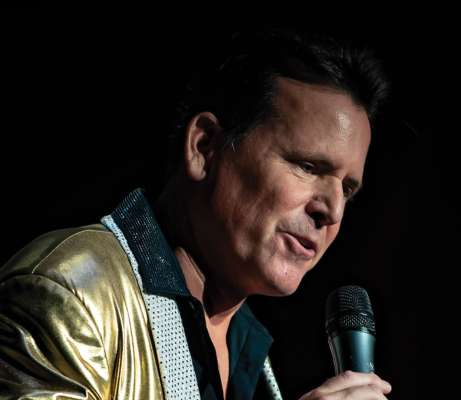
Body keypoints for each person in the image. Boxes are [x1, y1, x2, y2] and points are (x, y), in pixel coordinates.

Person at [0, 28, 392, 399]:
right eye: (307, 166)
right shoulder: (66, 294)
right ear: (205, 148)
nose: (332, 211)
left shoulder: (251, 355)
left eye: (347, 189)